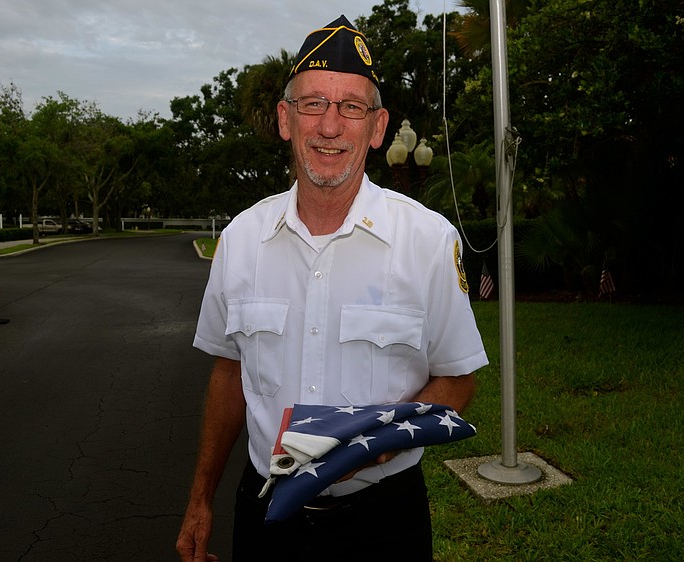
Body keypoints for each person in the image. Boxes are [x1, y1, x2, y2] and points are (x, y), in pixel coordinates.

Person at [176, 15, 488, 562]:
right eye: (313, 104)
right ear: (284, 119)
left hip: (384, 520)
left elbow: (458, 377)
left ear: (377, 127)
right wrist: (201, 497)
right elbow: (228, 373)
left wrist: (369, 449)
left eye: (351, 107)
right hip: (265, 514)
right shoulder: (243, 239)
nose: (329, 126)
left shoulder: (429, 241)